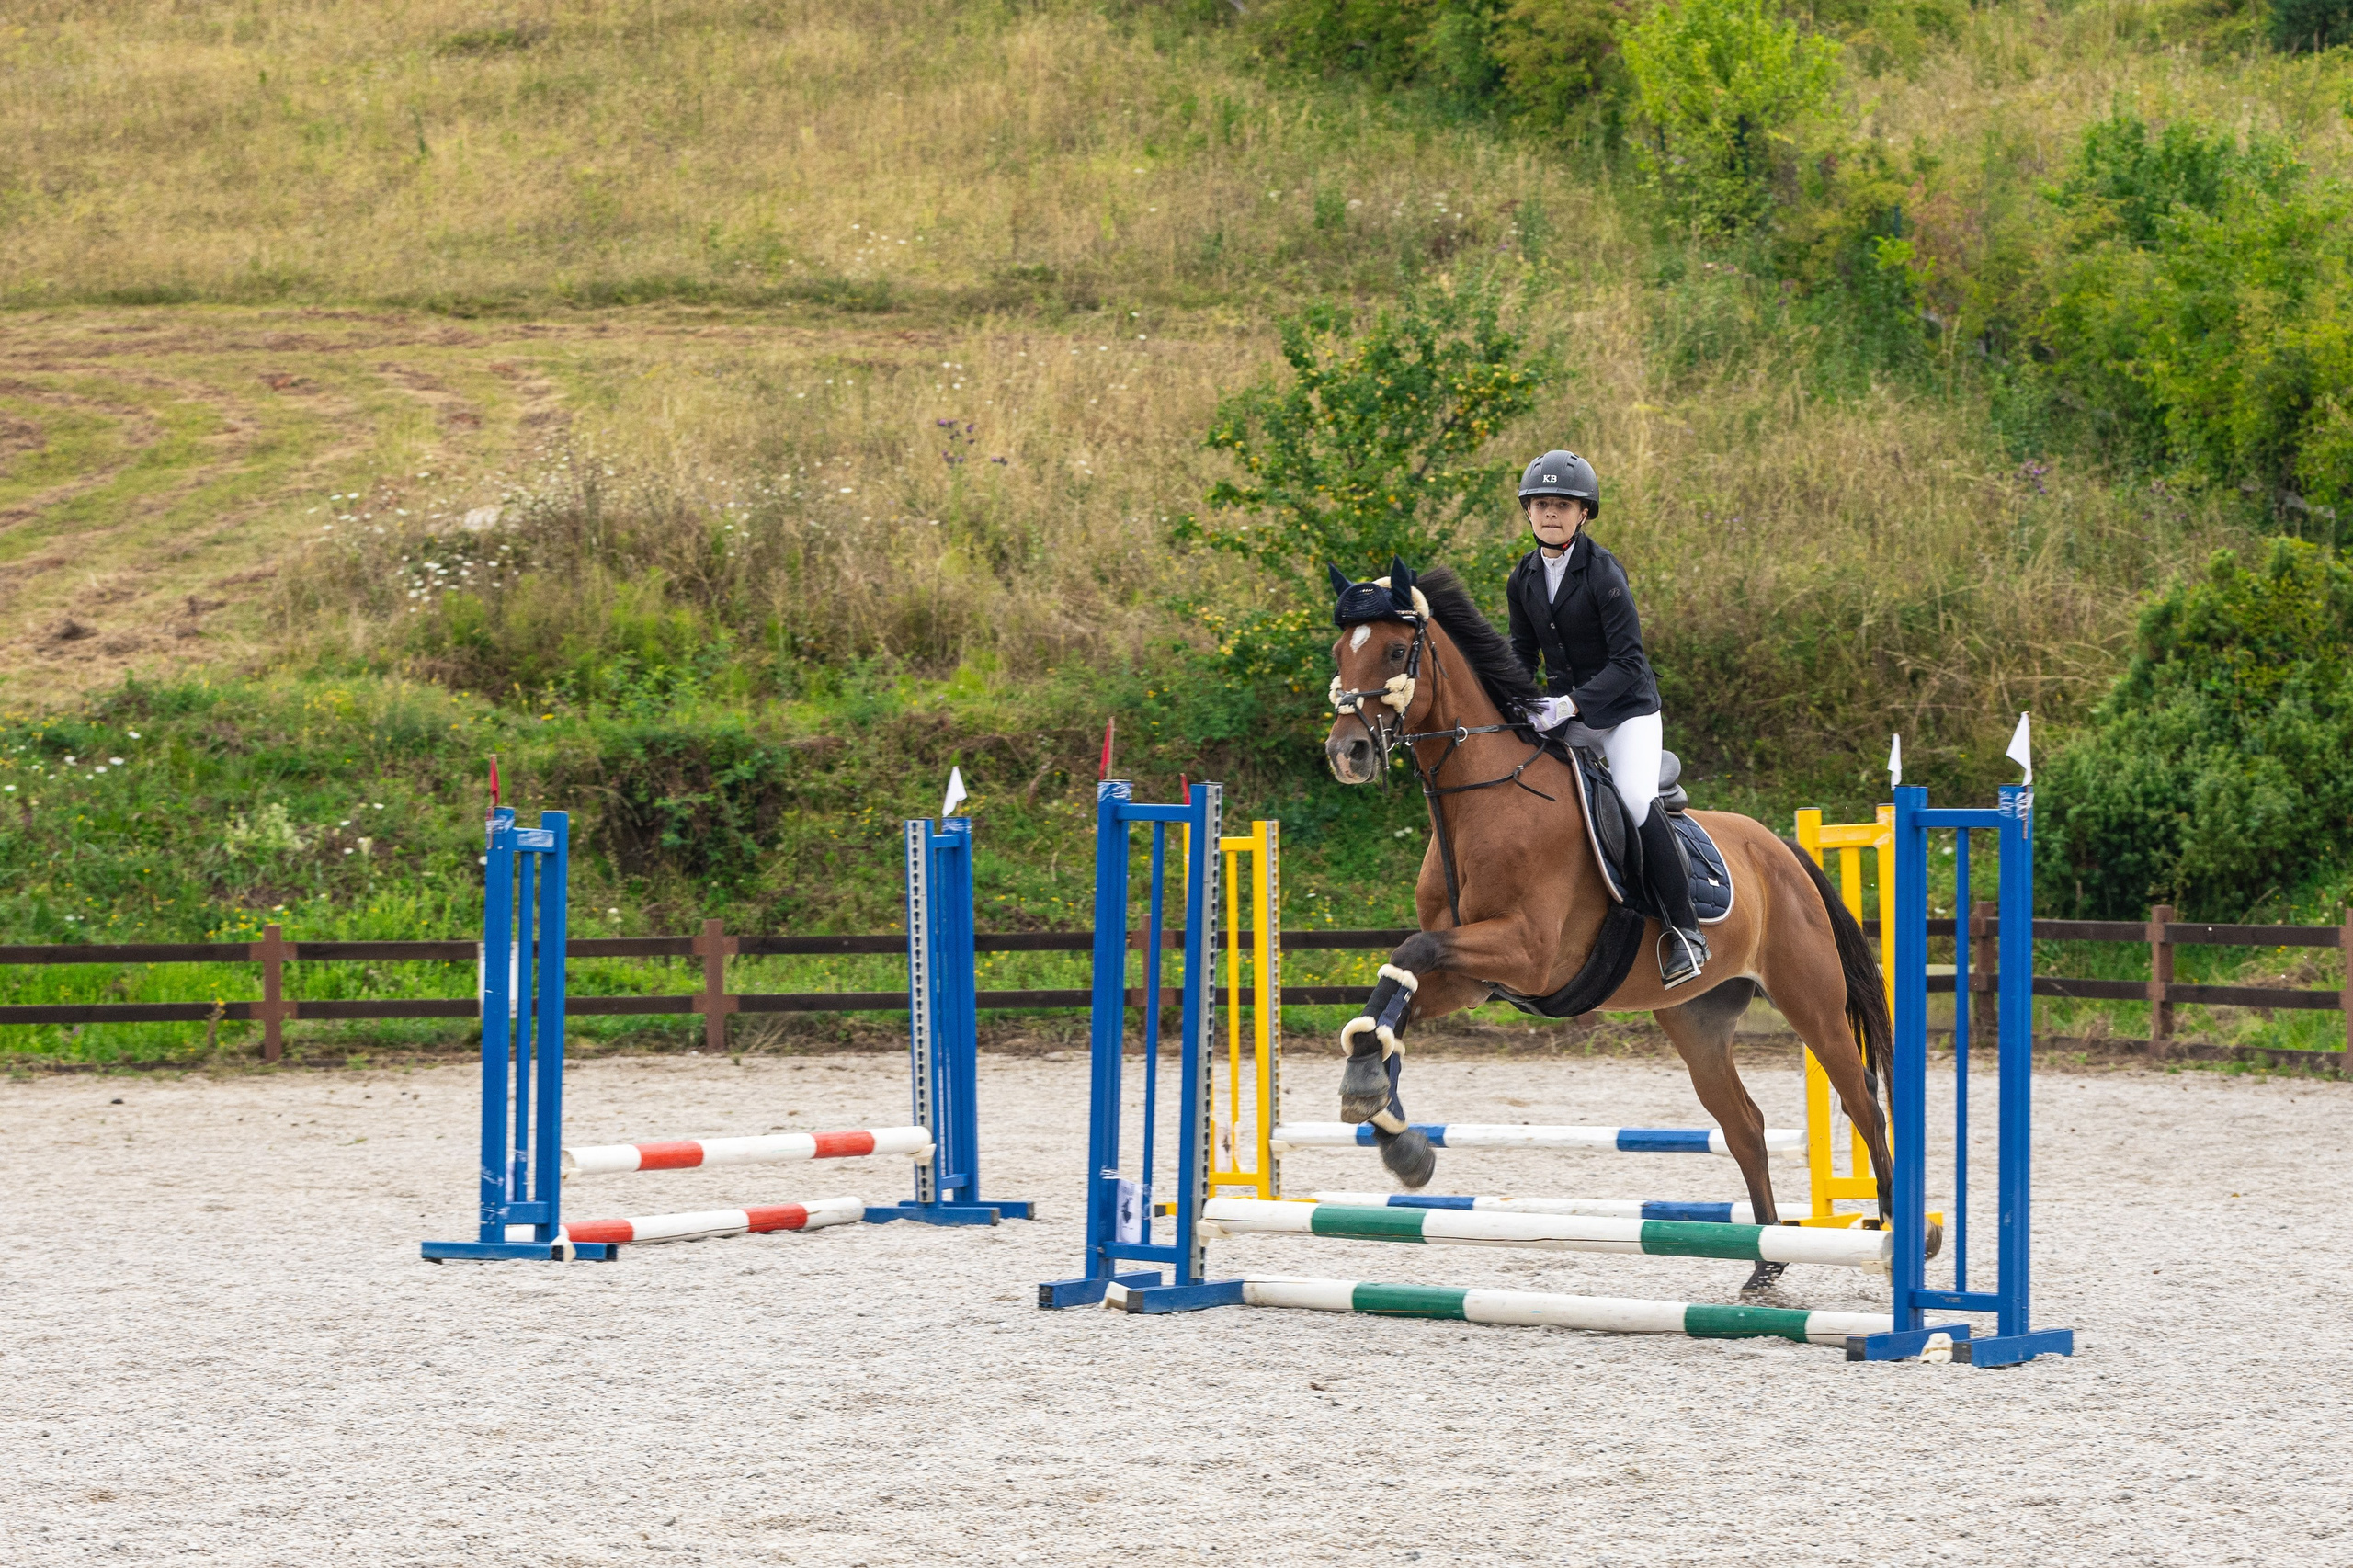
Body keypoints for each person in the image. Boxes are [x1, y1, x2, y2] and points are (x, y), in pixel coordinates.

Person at [1506, 449, 1709, 988]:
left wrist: (1570, 705)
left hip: (1625, 713)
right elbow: (1522, 654)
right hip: (1563, 714)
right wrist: (1512, 699)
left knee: (1636, 799)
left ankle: (1685, 931)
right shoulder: (1523, 576)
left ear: (1583, 514)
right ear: (1528, 512)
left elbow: (1628, 661)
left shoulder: (1602, 572)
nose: (1551, 513)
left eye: (1563, 505)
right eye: (1542, 504)